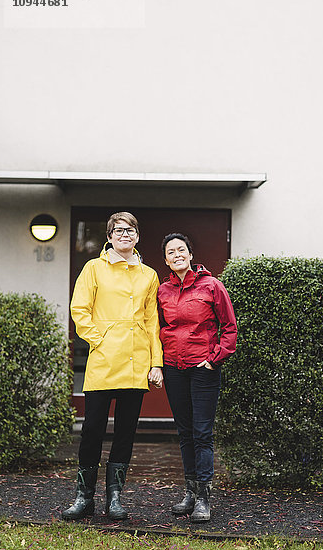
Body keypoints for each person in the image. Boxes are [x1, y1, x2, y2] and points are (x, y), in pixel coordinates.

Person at [62, 212, 163, 522]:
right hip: (103, 362)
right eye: (118, 230)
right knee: (92, 430)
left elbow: (152, 321)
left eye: (130, 229)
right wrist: (99, 339)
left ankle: (115, 499)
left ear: (137, 236)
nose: (124, 234)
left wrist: (156, 363)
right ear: (109, 237)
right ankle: (84, 498)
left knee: (125, 433)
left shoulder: (149, 274)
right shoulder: (94, 268)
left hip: (136, 363)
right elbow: (80, 310)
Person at [157, 233, 237, 522]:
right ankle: (190, 492)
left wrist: (214, 360)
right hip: (174, 368)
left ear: (190, 254)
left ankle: (204, 497)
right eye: (171, 251)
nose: (177, 254)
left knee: (202, 434)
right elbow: (158, 329)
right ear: (166, 260)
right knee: (185, 433)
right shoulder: (162, 291)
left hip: (203, 370)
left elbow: (229, 328)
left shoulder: (212, 285)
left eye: (182, 249)